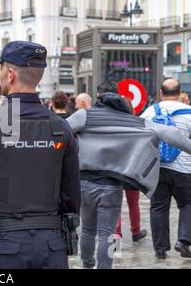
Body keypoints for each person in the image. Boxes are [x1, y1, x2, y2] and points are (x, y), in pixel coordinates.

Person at [0, 41, 81, 269]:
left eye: (0, 69)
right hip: (51, 246)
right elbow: (72, 196)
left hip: (4, 244)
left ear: (10, 74)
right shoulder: (61, 128)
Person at [67, 80, 191, 269]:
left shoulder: (85, 116)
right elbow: (169, 133)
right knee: (107, 233)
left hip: (84, 183)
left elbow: (60, 130)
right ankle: (104, 267)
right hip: (112, 186)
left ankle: (87, 264)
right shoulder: (133, 121)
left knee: (87, 230)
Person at [141, 79, 191, 259]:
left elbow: (140, 137)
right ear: (179, 93)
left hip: (157, 167)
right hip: (185, 168)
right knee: (187, 204)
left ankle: (161, 250)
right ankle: (184, 240)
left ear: (160, 93)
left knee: (158, 207)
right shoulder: (189, 113)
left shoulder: (149, 112)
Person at [115, 98, 147, 242]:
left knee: (115, 204)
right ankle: (136, 231)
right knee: (133, 202)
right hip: (133, 169)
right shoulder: (138, 124)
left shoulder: (113, 124)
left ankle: (116, 236)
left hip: (116, 168)